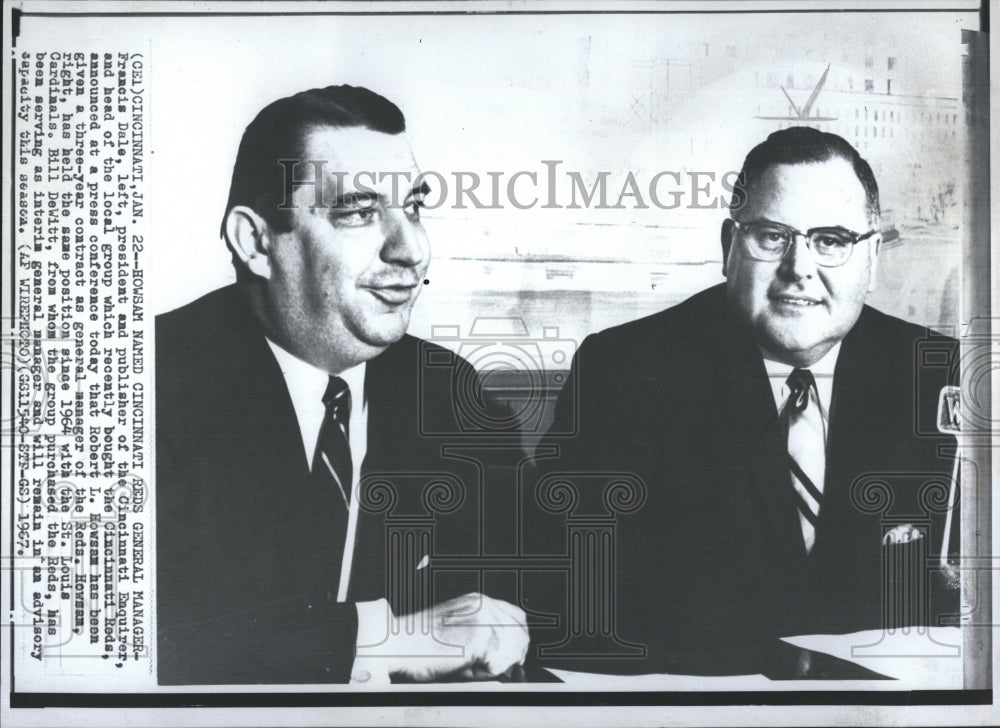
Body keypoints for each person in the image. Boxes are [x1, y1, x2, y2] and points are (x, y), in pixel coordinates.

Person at [524, 126, 959, 675]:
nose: (800, 267)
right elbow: (576, 603)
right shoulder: (626, 371)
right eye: (773, 237)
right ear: (729, 246)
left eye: (831, 240)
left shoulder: (941, 373)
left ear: (872, 258)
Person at [156, 85, 527, 685]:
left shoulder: (451, 398)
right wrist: (386, 641)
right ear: (255, 241)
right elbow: (137, 640)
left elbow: (517, 607)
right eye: (357, 211)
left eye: (413, 206)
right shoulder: (143, 390)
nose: (412, 249)